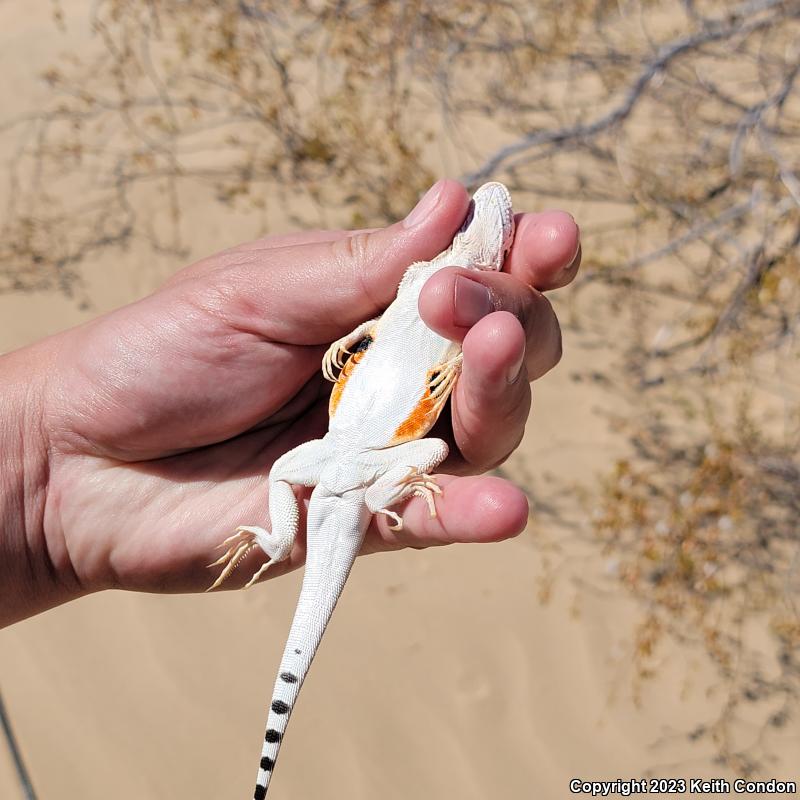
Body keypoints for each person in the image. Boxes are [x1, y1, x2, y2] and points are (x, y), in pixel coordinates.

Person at [0, 180, 580, 627]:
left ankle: (285, 533)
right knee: (428, 445)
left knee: (297, 470)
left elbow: (425, 333)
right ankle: (304, 526)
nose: (494, 217)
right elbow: (389, 314)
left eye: (496, 223)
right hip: (356, 460)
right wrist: (353, 334)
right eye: (487, 217)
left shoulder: (460, 289)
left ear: (496, 252)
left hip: (337, 459)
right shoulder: (425, 270)